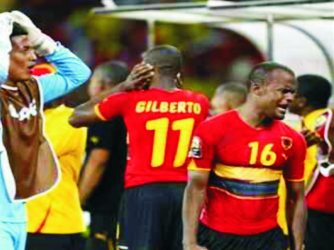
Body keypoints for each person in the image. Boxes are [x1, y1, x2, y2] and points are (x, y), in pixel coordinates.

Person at [0, 11, 91, 250]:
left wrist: (41, 40)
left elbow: (79, 73)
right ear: (0, 51)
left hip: (15, 213)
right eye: (25, 49)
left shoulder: (30, 89)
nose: (34, 57)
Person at [69, 45, 210, 250]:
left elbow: (76, 117)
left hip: (143, 192)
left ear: (147, 70)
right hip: (185, 194)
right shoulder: (200, 102)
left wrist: (123, 86)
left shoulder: (130, 100)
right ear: (178, 73)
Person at [182, 61, 307, 250]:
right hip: (217, 237)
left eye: (293, 92)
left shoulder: (293, 139)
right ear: (257, 89)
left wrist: (297, 247)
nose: (290, 98)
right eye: (284, 91)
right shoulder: (212, 129)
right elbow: (195, 188)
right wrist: (190, 243)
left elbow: (296, 198)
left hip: (268, 239)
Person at [26, 63, 88, 250]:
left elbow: (29, 154)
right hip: (27, 223)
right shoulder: (26, 117)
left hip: (55, 223)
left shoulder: (69, 118)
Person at [79, 61, 128, 250]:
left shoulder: (105, 113)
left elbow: (98, 160)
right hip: (130, 199)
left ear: (101, 85)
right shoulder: (133, 110)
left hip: (105, 203)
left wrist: (79, 200)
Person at [289, 74, 334, 250]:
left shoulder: (323, 121)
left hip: (319, 202)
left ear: (301, 101)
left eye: (289, 92)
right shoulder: (309, 122)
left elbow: (322, 160)